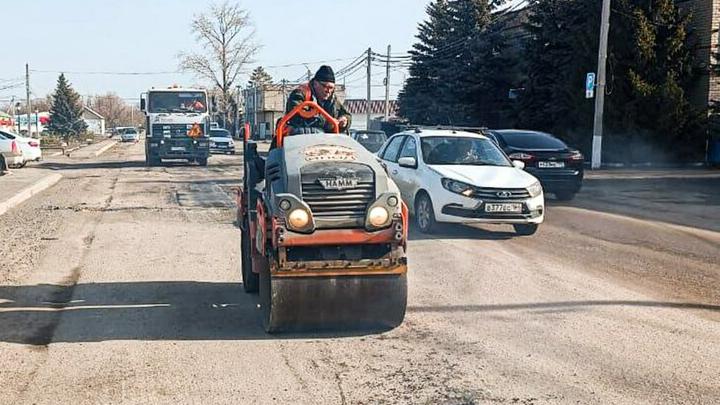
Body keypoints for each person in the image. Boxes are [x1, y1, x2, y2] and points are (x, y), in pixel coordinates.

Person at [282, 65, 352, 137]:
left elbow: (346, 114)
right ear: (315, 83)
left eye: (331, 88)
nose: (328, 91)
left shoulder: (332, 99)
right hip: (299, 139)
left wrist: (345, 120)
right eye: (324, 86)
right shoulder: (300, 94)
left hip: (325, 142)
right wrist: (330, 123)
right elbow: (300, 117)